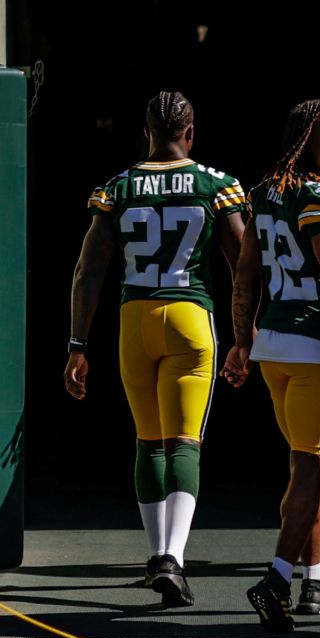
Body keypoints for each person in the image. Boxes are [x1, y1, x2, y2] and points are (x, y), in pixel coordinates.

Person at [65, 91, 247, 607]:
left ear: (145, 131)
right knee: (185, 441)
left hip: (134, 317)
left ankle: (154, 555)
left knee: (148, 441)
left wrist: (78, 343)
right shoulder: (216, 183)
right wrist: (245, 337)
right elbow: (243, 265)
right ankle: (173, 556)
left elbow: (89, 269)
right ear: (190, 132)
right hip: (190, 315)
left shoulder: (119, 187)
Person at [221, 99, 320, 631]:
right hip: (319, 347)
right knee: (312, 466)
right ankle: (277, 577)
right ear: (303, 144)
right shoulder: (318, 196)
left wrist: (243, 341)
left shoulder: (265, 193)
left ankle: (315, 576)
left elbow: (246, 274)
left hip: (276, 350)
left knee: (305, 465)